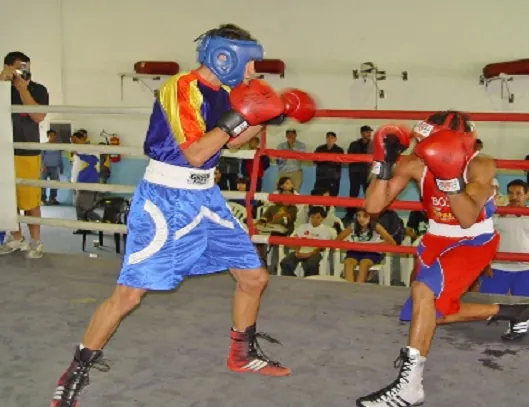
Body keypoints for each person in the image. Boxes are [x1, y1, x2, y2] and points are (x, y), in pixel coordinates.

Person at [49, 24, 316, 407]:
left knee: (254, 277)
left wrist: (270, 115)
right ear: (225, 56)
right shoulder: (179, 88)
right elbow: (194, 152)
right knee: (128, 295)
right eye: (251, 62)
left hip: (204, 195)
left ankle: (241, 353)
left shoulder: (226, 93)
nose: (255, 70)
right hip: (165, 198)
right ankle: (74, 373)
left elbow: (236, 140)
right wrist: (241, 116)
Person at [357, 111, 529, 407]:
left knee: (423, 293)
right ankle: (514, 312)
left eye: (430, 142)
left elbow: (467, 217)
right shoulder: (416, 163)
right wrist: (384, 164)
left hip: (473, 241)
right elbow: (373, 204)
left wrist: (449, 175)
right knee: (428, 314)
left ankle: (409, 388)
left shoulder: (481, 164)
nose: (423, 147)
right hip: (434, 241)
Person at [0, 51, 49, 259]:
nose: (24, 71)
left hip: (27, 151)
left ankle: (35, 241)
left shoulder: (38, 89)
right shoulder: (1, 87)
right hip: (3, 151)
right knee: (7, 199)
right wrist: (3, 81)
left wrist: (22, 89)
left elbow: (38, 116)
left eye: (26, 67)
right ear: (8, 67)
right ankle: (15, 237)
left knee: (30, 200)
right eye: (19, 67)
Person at [479, 179, 529, 298]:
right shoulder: (496, 214)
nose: (514, 197)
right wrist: (485, 265)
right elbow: (485, 240)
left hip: (525, 269)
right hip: (497, 267)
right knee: (488, 304)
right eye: (511, 193)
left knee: (525, 306)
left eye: (518, 193)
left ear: (527, 195)